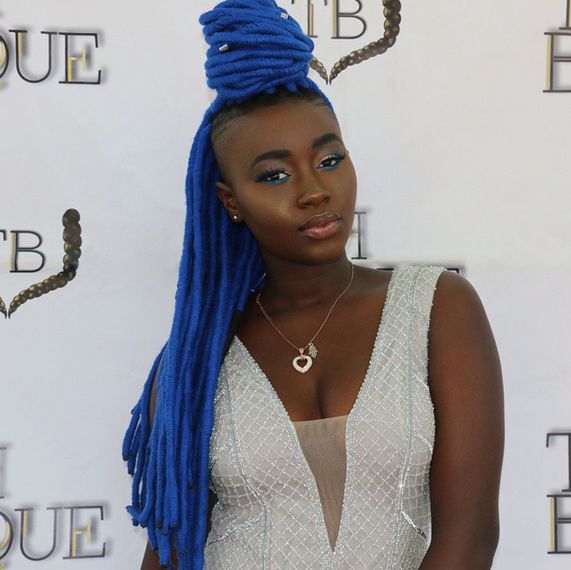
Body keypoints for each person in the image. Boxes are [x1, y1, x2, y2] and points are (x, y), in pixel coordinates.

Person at [125, 1, 504, 569]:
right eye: (274, 175)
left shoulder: (437, 308)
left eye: (329, 160)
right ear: (231, 201)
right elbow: (170, 547)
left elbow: (469, 537)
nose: (314, 191)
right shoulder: (198, 358)